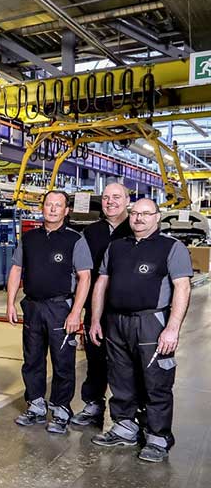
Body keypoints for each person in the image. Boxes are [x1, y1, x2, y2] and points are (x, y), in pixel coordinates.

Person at [88, 198, 192, 463]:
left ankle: (158, 436)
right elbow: (101, 284)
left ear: (157, 217)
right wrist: (96, 320)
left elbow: (182, 287)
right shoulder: (116, 247)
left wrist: (172, 328)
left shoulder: (172, 247)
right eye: (135, 213)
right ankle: (125, 426)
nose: (139, 218)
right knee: (120, 376)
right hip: (116, 322)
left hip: (151, 322)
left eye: (146, 214)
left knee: (156, 380)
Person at [6, 190, 92, 434]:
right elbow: (16, 269)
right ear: (42, 208)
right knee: (32, 359)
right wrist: (11, 302)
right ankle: (35, 405)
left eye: (58, 206)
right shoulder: (29, 238)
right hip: (33, 306)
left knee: (62, 361)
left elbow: (85, 278)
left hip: (60, 308)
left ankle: (61, 409)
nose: (53, 209)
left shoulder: (75, 240)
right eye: (49, 205)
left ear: (66, 211)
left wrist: (76, 313)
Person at [71, 183, 133, 427]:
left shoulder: (137, 227)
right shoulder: (91, 232)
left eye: (116, 197)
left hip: (127, 309)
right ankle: (93, 405)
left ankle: (128, 414)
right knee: (95, 358)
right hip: (96, 308)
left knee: (126, 363)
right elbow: (81, 272)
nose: (110, 202)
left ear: (127, 199)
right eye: (106, 198)